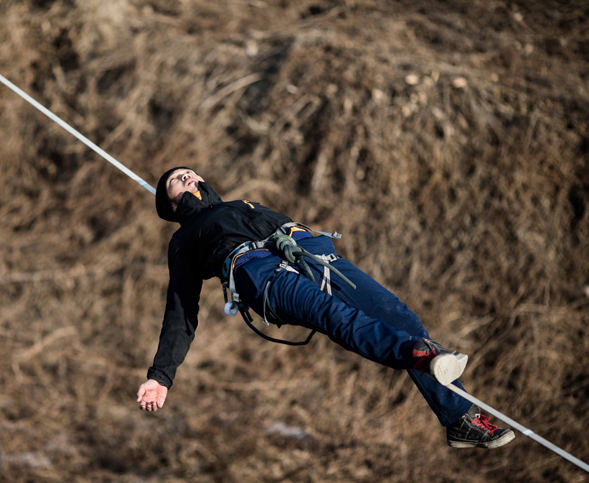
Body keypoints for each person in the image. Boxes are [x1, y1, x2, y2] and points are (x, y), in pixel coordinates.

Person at [136, 167, 515, 449]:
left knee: (401, 318)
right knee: (334, 316)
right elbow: (181, 309)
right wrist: (161, 375)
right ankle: (415, 354)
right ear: (171, 202)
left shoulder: (242, 203)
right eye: (176, 180)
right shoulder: (184, 238)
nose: (186, 176)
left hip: (313, 255)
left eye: (189, 172)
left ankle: (460, 420)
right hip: (259, 272)